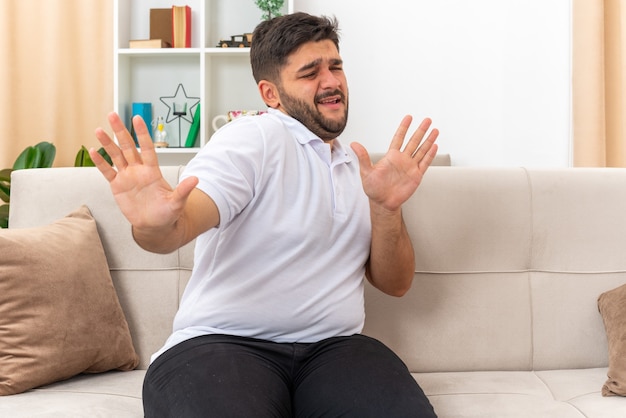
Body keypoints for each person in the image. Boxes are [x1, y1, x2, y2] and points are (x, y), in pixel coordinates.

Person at [91, 12, 438, 418]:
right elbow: (175, 230)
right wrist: (154, 222)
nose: (331, 82)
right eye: (310, 72)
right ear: (270, 94)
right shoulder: (252, 139)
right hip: (220, 345)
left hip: (335, 349)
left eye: (335, 67)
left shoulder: (362, 169)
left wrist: (385, 208)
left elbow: (395, 284)